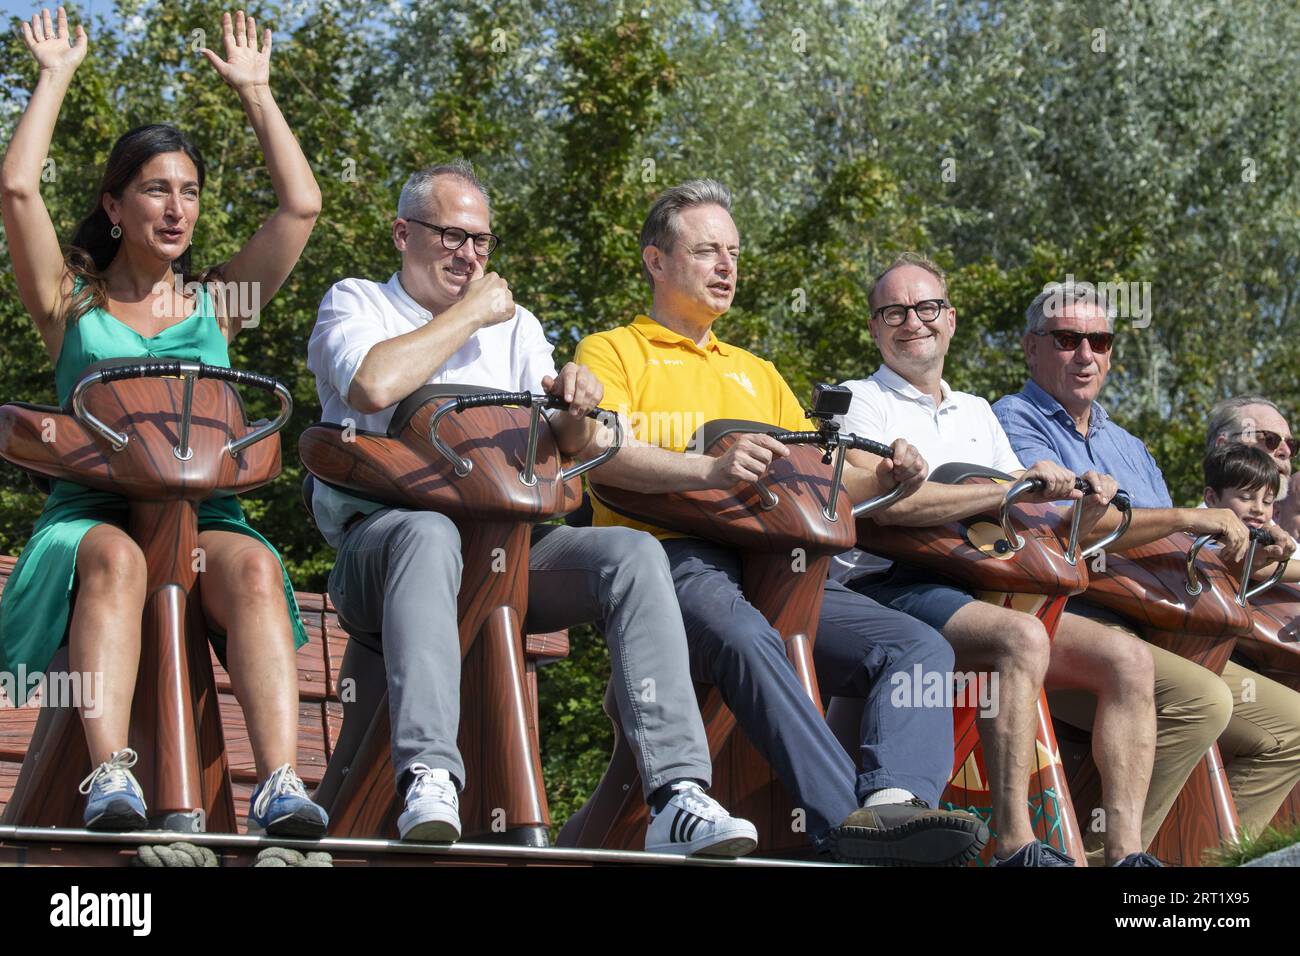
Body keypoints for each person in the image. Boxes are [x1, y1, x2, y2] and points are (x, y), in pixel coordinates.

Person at [306, 161, 757, 856]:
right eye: (451, 236)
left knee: (633, 554)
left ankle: (675, 794)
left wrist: (580, 402)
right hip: (384, 549)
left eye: (481, 242)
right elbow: (372, 386)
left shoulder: (517, 328)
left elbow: (578, 443)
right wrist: (468, 315)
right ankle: (430, 772)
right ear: (402, 233)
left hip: (509, 553)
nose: (470, 255)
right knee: (428, 535)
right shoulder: (357, 302)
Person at [572, 180, 990, 865]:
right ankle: (848, 825)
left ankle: (895, 804)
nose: (727, 267)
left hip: (781, 568)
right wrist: (706, 471)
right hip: (673, 560)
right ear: (655, 261)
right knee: (745, 634)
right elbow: (600, 453)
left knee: (920, 649)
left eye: (732, 252)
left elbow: (819, 470)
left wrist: (884, 475)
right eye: (707, 251)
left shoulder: (757, 372)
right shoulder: (614, 351)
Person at [0, 8, 327, 835]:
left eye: (189, 190)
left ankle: (283, 785)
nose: (176, 208)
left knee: (254, 567)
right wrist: (55, 76)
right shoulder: (67, 303)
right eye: (155, 188)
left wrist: (258, 94)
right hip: (93, 512)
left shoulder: (223, 305)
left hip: (200, 511)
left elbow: (301, 209)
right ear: (115, 203)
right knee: (113, 557)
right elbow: (17, 189)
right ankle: (111, 777)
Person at [833, 253, 1159, 866]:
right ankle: (1016, 845)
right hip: (889, 587)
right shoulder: (861, 401)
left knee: (1129, 658)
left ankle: (1125, 856)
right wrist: (1007, 488)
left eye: (927, 308)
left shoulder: (978, 411)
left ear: (950, 320)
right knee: (1020, 637)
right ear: (875, 328)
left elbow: (1029, 513)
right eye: (894, 311)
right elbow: (888, 508)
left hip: (981, 585)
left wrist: (1082, 507)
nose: (913, 322)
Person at [994, 280, 1300, 841]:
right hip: (1065, 618)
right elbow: (1071, 529)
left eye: (1101, 341)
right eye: (1067, 339)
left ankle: (1202, 872)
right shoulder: (1012, 421)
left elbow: (1180, 547)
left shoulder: (1130, 447)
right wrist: (1191, 518)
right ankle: (1108, 856)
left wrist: (1254, 550)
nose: (1086, 355)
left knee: (1293, 729)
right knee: (1200, 701)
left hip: (1159, 626)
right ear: (1031, 348)